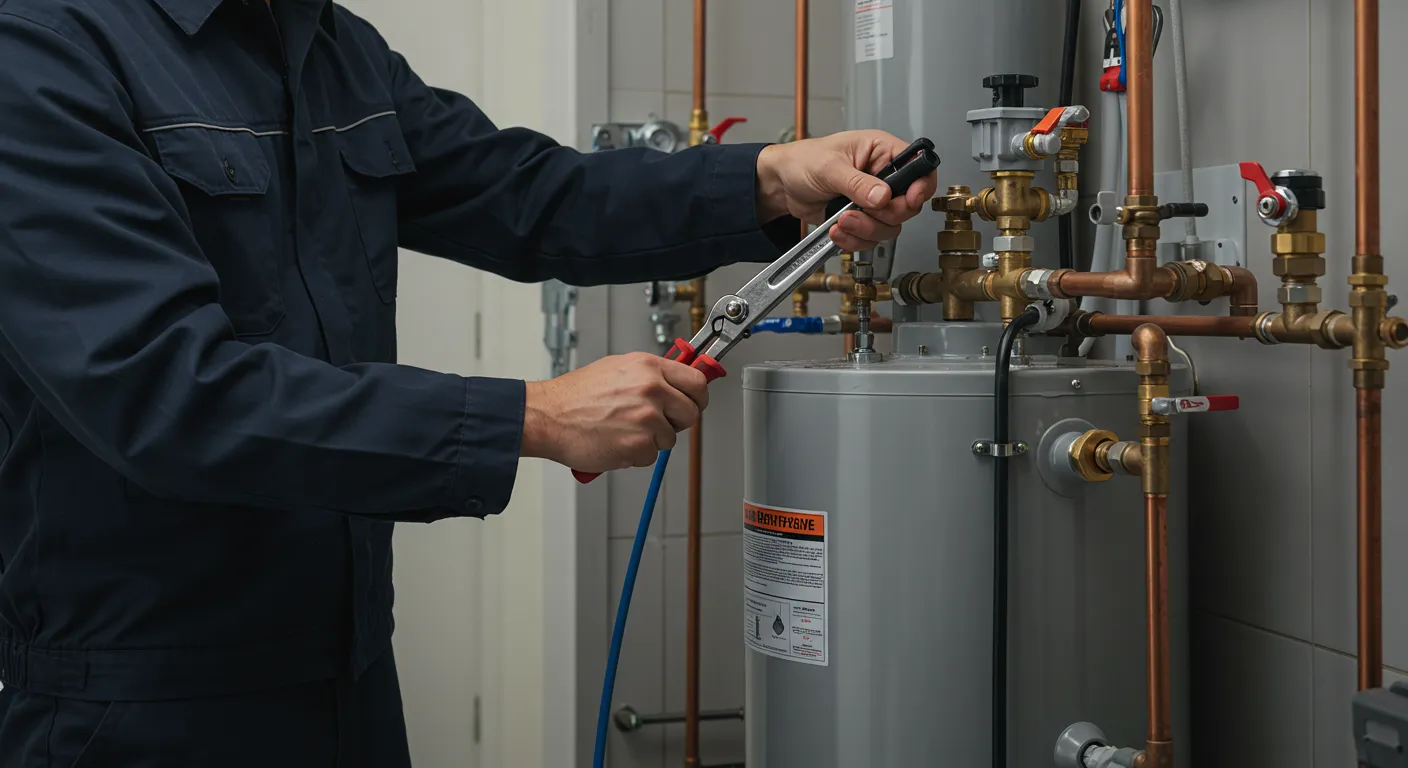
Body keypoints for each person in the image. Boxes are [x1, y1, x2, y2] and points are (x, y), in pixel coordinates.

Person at [0, 0, 935, 764]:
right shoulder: (43, 52)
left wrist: (770, 178)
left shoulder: (330, 47)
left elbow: (535, 196)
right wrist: (530, 415)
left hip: (351, 671)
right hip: (134, 703)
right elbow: (166, 393)